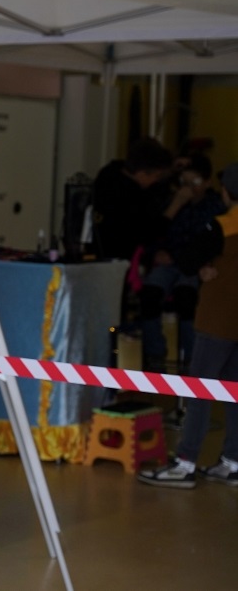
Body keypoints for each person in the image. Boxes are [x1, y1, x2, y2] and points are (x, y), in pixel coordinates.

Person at [138, 161, 238, 489]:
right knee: (234, 391)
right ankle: (232, 461)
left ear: (226, 192)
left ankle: (185, 462)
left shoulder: (222, 226)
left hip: (217, 318)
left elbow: (186, 259)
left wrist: (205, 265)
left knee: (199, 391)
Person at [135, 153, 224, 372]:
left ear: (206, 182)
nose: (189, 188)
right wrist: (158, 252)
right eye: (185, 182)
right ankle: (155, 353)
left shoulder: (215, 207)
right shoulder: (173, 202)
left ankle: (192, 356)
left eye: (194, 183)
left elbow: (211, 242)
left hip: (194, 263)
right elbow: (155, 234)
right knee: (150, 294)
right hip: (170, 261)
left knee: (186, 298)